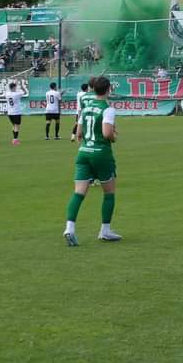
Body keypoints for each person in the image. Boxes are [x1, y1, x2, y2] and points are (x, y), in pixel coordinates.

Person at [63, 76, 121, 246]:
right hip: (101, 154)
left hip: (83, 153)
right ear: (109, 89)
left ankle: (69, 228)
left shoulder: (87, 107)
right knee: (109, 193)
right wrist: (114, 136)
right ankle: (105, 230)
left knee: (78, 193)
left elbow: (79, 133)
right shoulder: (107, 109)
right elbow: (106, 133)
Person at [6, 81, 25, 145]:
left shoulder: (7, 94)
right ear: (14, 87)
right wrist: (22, 87)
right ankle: (15, 139)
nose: (16, 88)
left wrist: (15, 84)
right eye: (15, 87)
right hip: (16, 112)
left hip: (9, 112)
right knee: (17, 126)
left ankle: (14, 138)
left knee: (14, 125)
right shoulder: (16, 94)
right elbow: (24, 92)